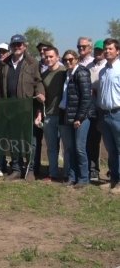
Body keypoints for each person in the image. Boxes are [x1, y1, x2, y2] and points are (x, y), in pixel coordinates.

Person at [0, 34, 45, 181]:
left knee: (29, 140)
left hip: (27, 108)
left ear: (25, 46)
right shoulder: (4, 63)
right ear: (11, 47)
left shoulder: (33, 63)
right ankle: (16, 169)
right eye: (14, 45)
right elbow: (0, 86)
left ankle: (29, 170)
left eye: (19, 44)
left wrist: (41, 93)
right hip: (10, 109)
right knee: (14, 141)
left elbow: (38, 81)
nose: (17, 47)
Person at [59, 49, 92, 188]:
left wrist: (79, 117)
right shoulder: (66, 74)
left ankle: (83, 178)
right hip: (68, 115)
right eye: (65, 60)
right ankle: (72, 177)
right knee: (71, 148)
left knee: (79, 148)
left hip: (81, 118)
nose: (68, 62)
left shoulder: (81, 73)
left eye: (70, 59)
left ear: (77, 59)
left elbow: (86, 98)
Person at [40, 45, 67, 182]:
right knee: (51, 148)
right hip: (49, 115)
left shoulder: (65, 72)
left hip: (64, 115)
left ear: (57, 57)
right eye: (46, 57)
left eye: (51, 56)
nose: (48, 59)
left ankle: (67, 174)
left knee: (67, 147)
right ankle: (53, 174)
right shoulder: (43, 75)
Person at [98, 38, 120, 194]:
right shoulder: (103, 71)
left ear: (117, 51)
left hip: (118, 114)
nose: (107, 51)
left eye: (110, 49)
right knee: (111, 150)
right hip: (105, 115)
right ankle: (113, 179)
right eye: (105, 49)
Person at [86, 40, 106, 182]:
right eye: (97, 50)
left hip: (106, 108)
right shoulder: (89, 66)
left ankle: (114, 170)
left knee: (112, 142)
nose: (98, 53)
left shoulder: (110, 66)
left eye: (101, 50)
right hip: (92, 109)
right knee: (93, 141)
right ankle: (93, 170)